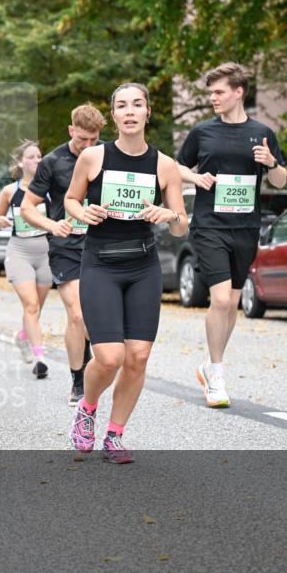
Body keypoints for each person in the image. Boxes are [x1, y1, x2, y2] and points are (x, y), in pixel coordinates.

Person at [66, 83, 188, 463]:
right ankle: (87, 407)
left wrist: (169, 215)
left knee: (137, 356)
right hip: (100, 262)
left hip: (142, 264)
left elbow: (182, 225)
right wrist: (80, 212)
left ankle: (114, 435)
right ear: (114, 115)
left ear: (148, 112)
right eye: (122, 105)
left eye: (137, 104)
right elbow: (72, 198)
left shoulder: (164, 165)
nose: (130, 111)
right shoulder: (93, 157)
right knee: (109, 356)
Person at [175, 62, 287, 408]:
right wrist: (196, 179)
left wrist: (271, 161)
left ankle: (210, 365)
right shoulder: (202, 133)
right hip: (210, 225)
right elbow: (176, 168)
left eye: (219, 92)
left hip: (245, 228)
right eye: (211, 92)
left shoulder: (263, 133)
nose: (213, 98)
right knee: (220, 300)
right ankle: (218, 376)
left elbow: (281, 180)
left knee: (233, 303)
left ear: (239, 92)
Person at [19, 104, 105, 404]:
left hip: (103, 244)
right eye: (83, 139)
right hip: (67, 246)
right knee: (78, 313)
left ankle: (93, 358)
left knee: (96, 315)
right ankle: (78, 381)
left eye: (94, 139)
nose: (88, 146)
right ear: (71, 131)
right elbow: (27, 207)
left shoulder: (108, 155)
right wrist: (52, 225)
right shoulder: (53, 162)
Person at [0, 141, 52, 379]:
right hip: (20, 251)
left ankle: (23, 336)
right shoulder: (10, 191)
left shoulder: (50, 189)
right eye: (31, 156)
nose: (37, 160)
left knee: (38, 307)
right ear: (20, 162)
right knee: (31, 305)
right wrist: (0, 220)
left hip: (46, 251)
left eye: (40, 156)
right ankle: (40, 358)